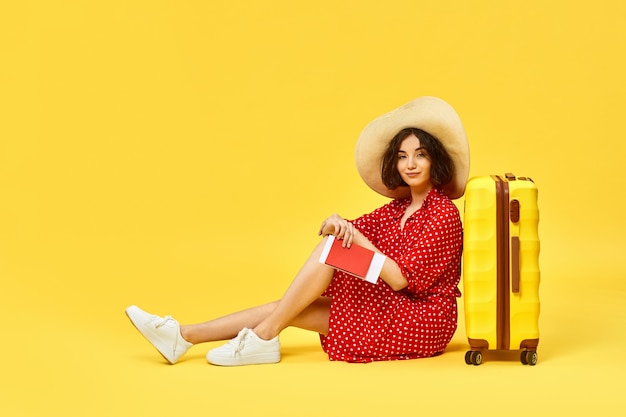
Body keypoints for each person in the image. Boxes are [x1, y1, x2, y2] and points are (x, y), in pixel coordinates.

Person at [125, 96, 470, 365]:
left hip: (422, 320)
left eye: (419, 155)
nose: (410, 164)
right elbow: (356, 232)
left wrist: (351, 237)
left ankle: (262, 337)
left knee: (329, 256)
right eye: (402, 156)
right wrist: (339, 223)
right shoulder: (398, 209)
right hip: (391, 307)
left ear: (433, 160)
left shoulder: (443, 214)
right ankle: (185, 335)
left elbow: (399, 280)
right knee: (295, 304)